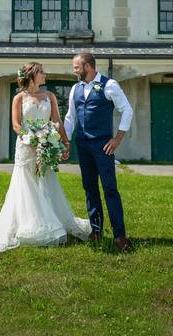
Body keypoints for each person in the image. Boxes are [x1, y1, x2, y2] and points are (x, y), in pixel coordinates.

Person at [0, 61, 92, 251]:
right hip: (26, 147)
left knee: (47, 179)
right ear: (32, 75)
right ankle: (28, 224)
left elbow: (56, 121)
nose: (45, 75)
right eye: (41, 72)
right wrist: (31, 139)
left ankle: (52, 219)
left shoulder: (50, 96)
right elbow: (16, 125)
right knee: (26, 182)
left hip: (47, 145)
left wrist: (65, 142)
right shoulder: (19, 98)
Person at [64, 51, 134, 252]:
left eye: (76, 67)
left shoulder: (109, 85)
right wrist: (67, 142)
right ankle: (96, 231)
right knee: (89, 187)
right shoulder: (75, 88)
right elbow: (70, 118)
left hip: (103, 146)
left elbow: (127, 110)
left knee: (110, 189)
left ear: (87, 67)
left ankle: (120, 236)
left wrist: (117, 138)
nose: (74, 70)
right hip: (82, 145)